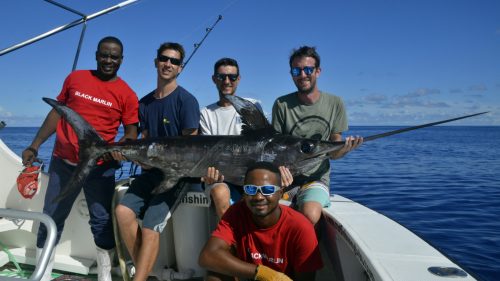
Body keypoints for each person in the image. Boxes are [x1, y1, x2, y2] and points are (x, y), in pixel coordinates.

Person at [21, 36, 139, 281]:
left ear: (121, 60)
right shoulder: (75, 79)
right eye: (104, 55)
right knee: (51, 216)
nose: (108, 60)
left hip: (100, 168)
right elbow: (57, 112)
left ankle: (105, 276)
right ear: (96, 55)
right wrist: (34, 145)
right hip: (63, 162)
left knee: (102, 221)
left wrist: (121, 148)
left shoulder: (127, 94)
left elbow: (130, 132)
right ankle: (42, 273)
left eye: (114, 57)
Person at [114, 42, 200, 281]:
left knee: (152, 221)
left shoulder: (187, 101)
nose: (168, 64)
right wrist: (126, 153)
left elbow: (191, 150)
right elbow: (141, 140)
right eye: (164, 59)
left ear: (180, 68)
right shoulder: (144, 103)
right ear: (156, 62)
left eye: (174, 61)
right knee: (122, 212)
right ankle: (146, 272)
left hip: (179, 176)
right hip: (152, 172)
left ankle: (139, 278)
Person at [271, 46, 363, 225]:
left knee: (310, 214)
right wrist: (280, 174)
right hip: (284, 179)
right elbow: (274, 149)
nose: (303, 74)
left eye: (308, 69)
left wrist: (344, 149)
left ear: (318, 71)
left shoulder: (335, 103)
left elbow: (333, 152)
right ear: (291, 73)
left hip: (316, 178)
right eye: (297, 70)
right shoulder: (281, 104)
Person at [199, 162, 323, 281]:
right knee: (215, 274)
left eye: (268, 190)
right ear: (245, 192)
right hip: (253, 277)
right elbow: (207, 256)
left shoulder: (300, 227)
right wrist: (262, 273)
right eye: (251, 189)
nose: (258, 197)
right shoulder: (236, 213)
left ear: (280, 193)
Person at [199, 57, 264, 219]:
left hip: (250, 177)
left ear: (239, 79)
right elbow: (209, 156)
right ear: (214, 79)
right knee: (220, 192)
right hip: (220, 178)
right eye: (221, 77)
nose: (227, 81)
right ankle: (230, 242)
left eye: (232, 77)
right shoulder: (206, 113)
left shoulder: (252, 105)